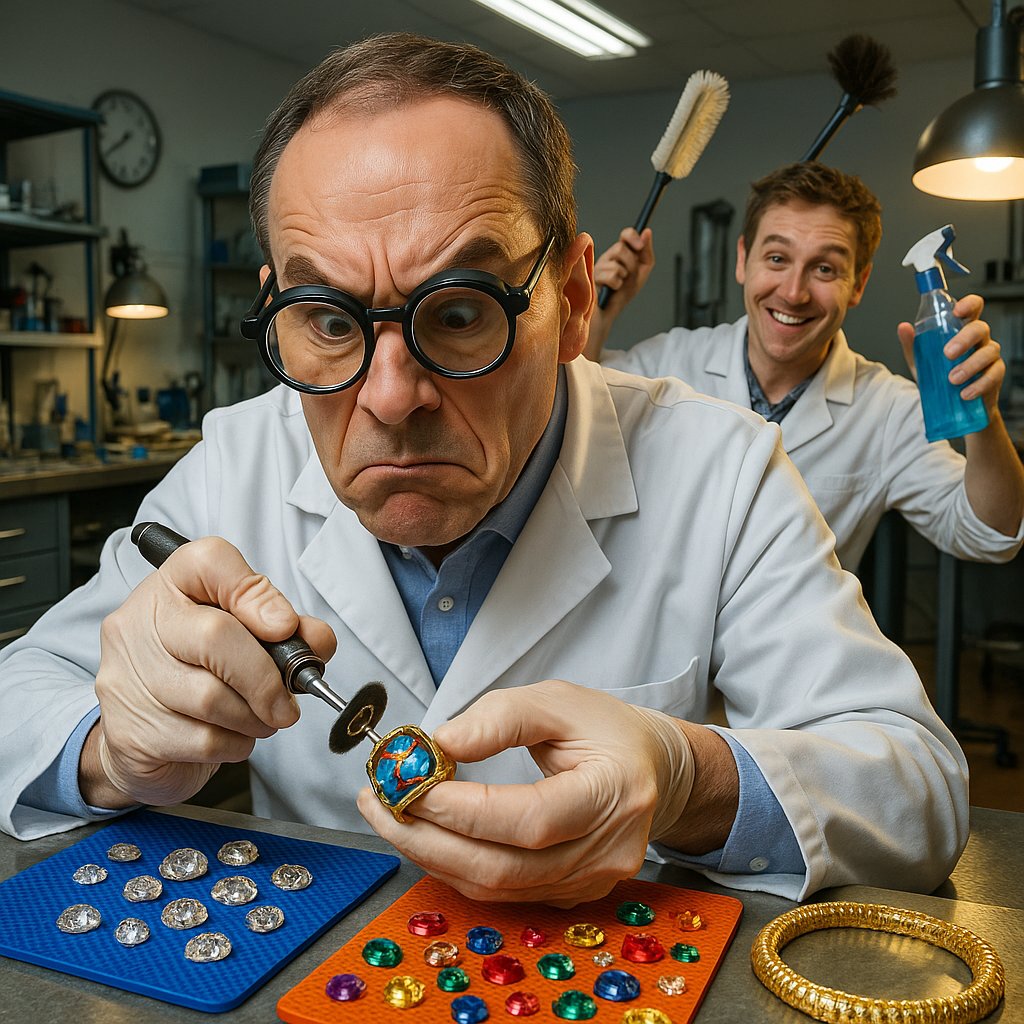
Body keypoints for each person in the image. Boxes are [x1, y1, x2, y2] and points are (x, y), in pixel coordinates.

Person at [0, 36, 968, 906]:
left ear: (576, 299)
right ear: (278, 309)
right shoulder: (236, 462)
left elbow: (917, 791)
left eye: (459, 311)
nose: (389, 396)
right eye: (331, 320)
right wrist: (109, 748)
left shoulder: (720, 465)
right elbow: (20, 691)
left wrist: (688, 780)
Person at [586, 162, 1024, 571]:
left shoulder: (888, 410)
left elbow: (991, 534)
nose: (794, 292)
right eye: (777, 259)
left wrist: (983, 418)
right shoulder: (666, 363)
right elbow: (567, 419)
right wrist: (596, 316)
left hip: (790, 652)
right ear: (743, 260)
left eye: (825, 268)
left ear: (859, 283)